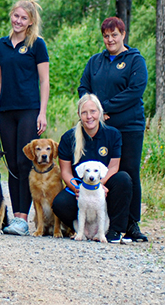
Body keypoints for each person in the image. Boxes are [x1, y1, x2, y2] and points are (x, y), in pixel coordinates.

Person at [77, 16, 149, 242]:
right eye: (106, 36)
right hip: (101, 128)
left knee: (128, 173)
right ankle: (107, 224)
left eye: (114, 35)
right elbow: (83, 87)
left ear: (123, 34)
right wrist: (92, 111)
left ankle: (131, 224)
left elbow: (135, 90)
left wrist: (104, 107)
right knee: (101, 172)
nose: (110, 40)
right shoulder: (95, 62)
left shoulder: (135, 60)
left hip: (129, 125)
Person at [0, 0, 50, 236]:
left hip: (29, 110)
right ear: (11, 16)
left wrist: (42, 112)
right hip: (6, 112)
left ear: (30, 22)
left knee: (25, 163)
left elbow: (44, 80)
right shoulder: (1, 45)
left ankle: (24, 219)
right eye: (16, 16)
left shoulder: (37, 44)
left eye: (24, 18)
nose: (18, 21)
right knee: (12, 164)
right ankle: (16, 217)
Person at [51, 94, 132, 243]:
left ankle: (114, 230)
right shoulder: (68, 138)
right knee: (59, 204)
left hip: (103, 186)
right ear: (79, 115)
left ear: (100, 113)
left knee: (123, 179)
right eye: (84, 112)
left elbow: (114, 166)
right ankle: (82, 230)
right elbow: (66, 172)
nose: (89, 117)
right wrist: (78, 188)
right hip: (80, 188)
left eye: (93, 111)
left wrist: (99, 185)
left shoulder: (113, 134)